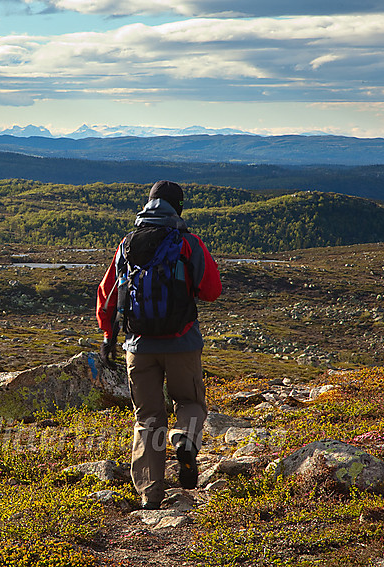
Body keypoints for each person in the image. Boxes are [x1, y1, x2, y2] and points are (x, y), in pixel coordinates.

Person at [96, 180, 222, 509]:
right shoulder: (188, 243)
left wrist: (108, 336)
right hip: (183, 343)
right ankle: (184, 439)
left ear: (148, 203)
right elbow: (212, 290)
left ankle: (149, 497)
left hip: (138, 347)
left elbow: (107, 294)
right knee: (190, 402)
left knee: (147, 418)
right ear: (177, 207)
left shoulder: (126, 244)